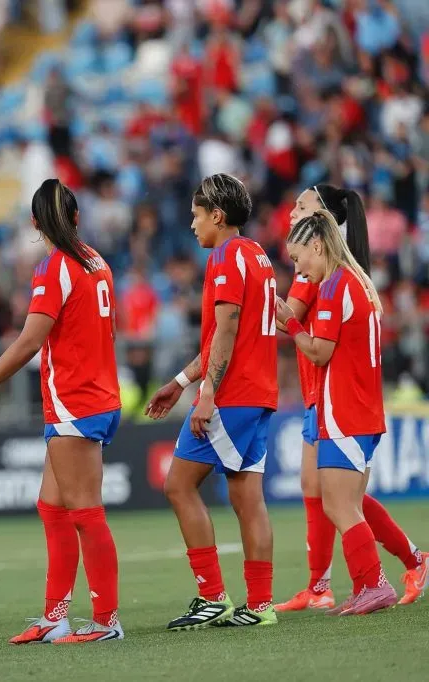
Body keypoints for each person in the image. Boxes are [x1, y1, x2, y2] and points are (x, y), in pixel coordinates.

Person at [0, 179, 123, 644]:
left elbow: (29, 340)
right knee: (53, 506)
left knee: (85, 512)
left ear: (35, 223)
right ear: (78, 217)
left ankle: (106, 622)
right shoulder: (97, 262)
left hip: (75, 401)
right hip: (93, 395)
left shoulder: (56, 267)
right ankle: (55, 616)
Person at [274, 185, 427, 611]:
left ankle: (370, 582)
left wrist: (290, 323)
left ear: (319, 237)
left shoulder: (332, 284)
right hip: (359, 407)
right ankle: (373, 575)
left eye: (299, 257)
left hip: (340, 408)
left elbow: (318, 347)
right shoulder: (356, 277)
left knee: (338, 504)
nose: (298, 266)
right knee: (341, 500)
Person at [145, 174, 278, 628]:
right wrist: (179, 381)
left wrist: (206, 395)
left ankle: (212, 597)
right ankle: (259, 606)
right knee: (248, 499)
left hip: (232, 396)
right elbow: (226, 336)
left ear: (217, 216)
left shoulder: (225, 257)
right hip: (258, 392)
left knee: (178, 486)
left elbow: (227, 329)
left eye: (196, 216)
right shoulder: (258, 256)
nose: (192, 225)